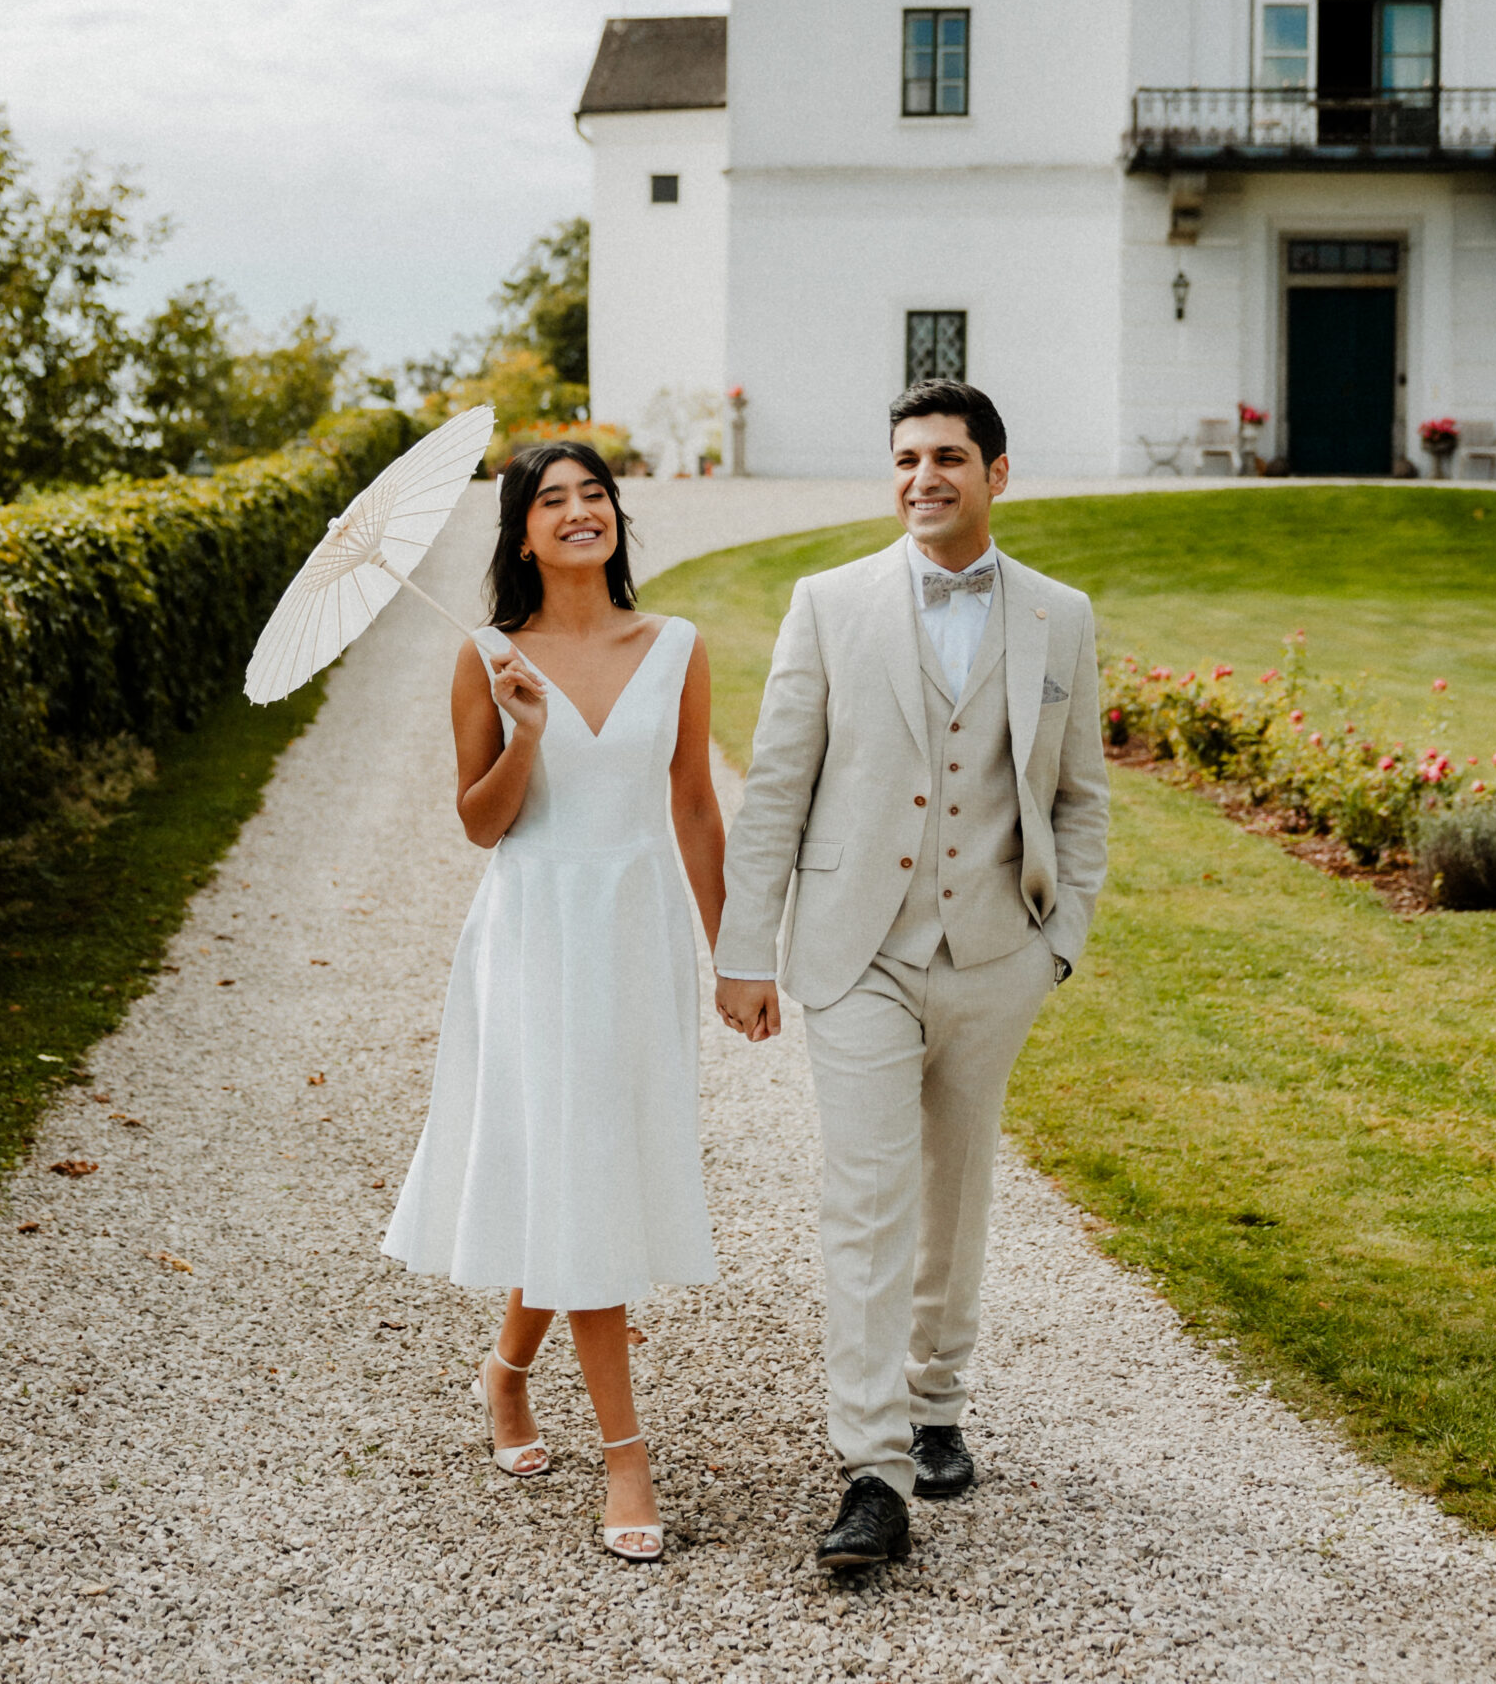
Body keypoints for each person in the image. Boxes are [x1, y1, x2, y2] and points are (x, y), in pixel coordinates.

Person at [713, 380, 1110, 1571]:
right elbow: (777, 786)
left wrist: (1061, 939)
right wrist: (746, 948)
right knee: (869, 1199)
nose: (921, 477)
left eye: (946, 456)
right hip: (857, 953)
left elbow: (1081, 797)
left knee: (958, 1186)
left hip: (997, 952)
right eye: (903, 458)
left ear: (998, 471)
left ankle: (939, 1397)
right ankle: (873, 1466)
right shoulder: (827, 604)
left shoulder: (1061, 616)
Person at [383, 441, 725, 1563]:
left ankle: (507, 1372)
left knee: (584, 1167)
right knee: (578, 1169)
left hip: (636, 935)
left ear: (616, 518)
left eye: (594, 495)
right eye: (552, 501)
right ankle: (629, 1459)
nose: (579, 512)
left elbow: (693, 808)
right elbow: (480, 824)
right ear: (520, 534)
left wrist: (735, 955)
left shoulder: (675, 646)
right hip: (533, 937)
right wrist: (524, 732)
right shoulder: (485, 656)